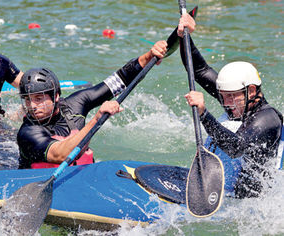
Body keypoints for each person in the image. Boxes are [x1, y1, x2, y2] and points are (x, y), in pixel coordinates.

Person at [178, 13, 283, 198]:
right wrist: (184, 35)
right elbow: (199, 70)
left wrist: (203, 114)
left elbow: (236, 148)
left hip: (252, 204)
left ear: (251, 91)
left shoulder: (267, 119)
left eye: (231, 97)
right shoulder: (239, 101)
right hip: (228, 191)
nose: (226, 104)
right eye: (223, 97)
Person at [17, 41, 168, 169]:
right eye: (27, 100)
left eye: (38, 98)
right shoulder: (27, 133)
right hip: (39, 183)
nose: (32, 106)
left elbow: (118, 81)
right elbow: (60, 154)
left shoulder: (74, 105)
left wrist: (149, 57)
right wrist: (96, 119)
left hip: (82, 177)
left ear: (55, 96)